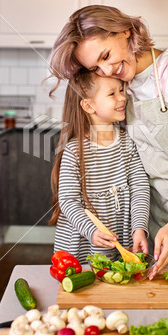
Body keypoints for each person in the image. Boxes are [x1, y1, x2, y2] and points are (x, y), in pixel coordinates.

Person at [48, 5, 168, 279]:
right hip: (152, 223)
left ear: (125, 31)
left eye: (106, 55)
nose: (106, 69)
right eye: (95, 67)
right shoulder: (124, 86)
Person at [49, 68, 150, 263]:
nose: (122, 98)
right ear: (88, 105)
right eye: (112, 94)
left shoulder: (128, 142)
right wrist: (91, 231)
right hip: (81, 243)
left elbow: (140, 188)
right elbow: (68, 201)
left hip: (120, 237)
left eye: (121, 90)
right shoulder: (74, 151)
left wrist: (139, 228)